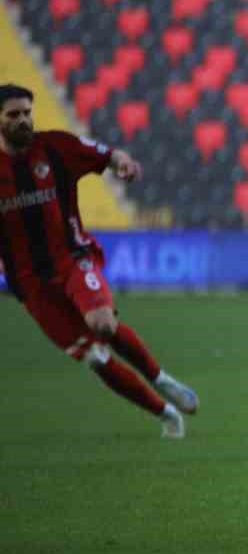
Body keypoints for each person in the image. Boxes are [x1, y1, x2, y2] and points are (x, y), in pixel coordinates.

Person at [0, 84, 198, 438]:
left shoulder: (56, 148)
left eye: (27, 112)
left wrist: (123, 164)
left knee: (102, 324)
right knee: (95, 357)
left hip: (72, 258)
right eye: (13, 115)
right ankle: (166, 414)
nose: (23, 120)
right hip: (30, 284)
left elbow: (108, 155)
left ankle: (161, 379)